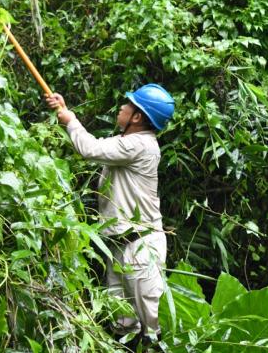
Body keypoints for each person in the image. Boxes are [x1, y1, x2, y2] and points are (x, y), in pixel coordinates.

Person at [45, 84, 175, 340]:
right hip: (119, 245)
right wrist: (65, 111)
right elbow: (94, 146)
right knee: (122, 321)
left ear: (137, 117)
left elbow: (90, 149)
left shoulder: (141, 145)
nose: (121, 108)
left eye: (127, 105)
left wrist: (70, 120)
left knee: (148, 325)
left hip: (140, 247)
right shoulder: (128, 142)